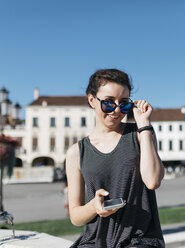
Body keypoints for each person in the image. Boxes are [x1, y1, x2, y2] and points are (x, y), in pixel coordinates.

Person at [66, 69, 165, 248]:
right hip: (94, 242)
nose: (117, 110)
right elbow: (75, 216)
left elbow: (152, 181)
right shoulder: (76, 152)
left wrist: (143, 124)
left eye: (124, 104)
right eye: (109, 103)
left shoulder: (141, 134)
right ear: (91, 100)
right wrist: (94, 207)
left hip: (139, 240)